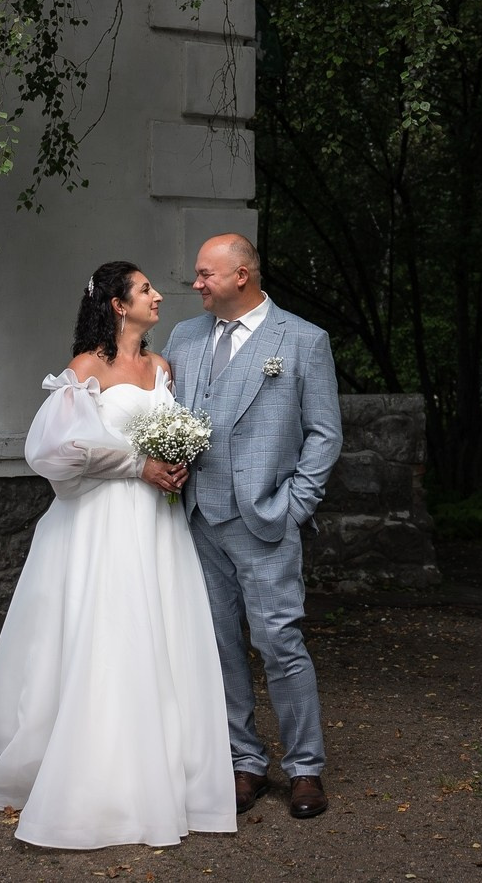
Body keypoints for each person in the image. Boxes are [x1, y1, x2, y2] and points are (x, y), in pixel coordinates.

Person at [0, 261, 236, 849]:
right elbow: (54, 452)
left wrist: (175, 462)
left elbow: (175, 430)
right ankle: (103, 777)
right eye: (145, 289)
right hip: (107, 523)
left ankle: (171, 769)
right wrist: (135, 465)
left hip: (160, 527)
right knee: (111, 634)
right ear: (119, 305)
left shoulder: (164, 366)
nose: (157, 296)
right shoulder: (86, 369)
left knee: (164, 635)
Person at [167, 234, 344, 820]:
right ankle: (243, 761)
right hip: (197, 517)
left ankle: (304, 768)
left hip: (266, 518)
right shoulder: (185, 339)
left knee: (280, 644)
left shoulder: (302, 340)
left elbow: (324, 433)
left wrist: (297, 503)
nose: (196, 284)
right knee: (219, 645)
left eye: (205, 274)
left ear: (241, 275)